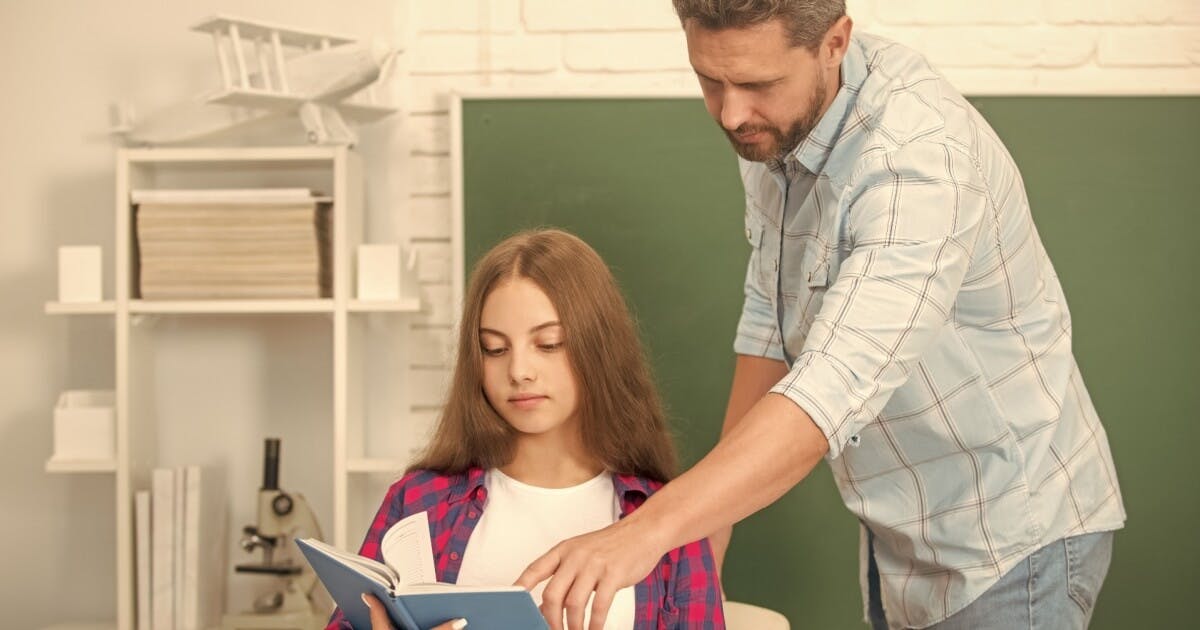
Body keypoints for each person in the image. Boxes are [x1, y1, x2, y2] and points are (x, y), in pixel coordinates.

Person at [516, 2, 1126, 630]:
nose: (731, 113)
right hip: (897, 523)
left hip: (1008, 537)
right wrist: (706, 537)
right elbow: (770, 321)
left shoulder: (919, 164)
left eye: (756, 85)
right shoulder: (777, 122)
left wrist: (641, 534)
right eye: (709, 80)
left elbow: (828, 389)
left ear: (834, 43)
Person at [326, 228, 725, 630]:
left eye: (548, 344)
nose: (518, 372)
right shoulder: (417, 501)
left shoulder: (665, 521)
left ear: (598, 348)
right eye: (495, 349)